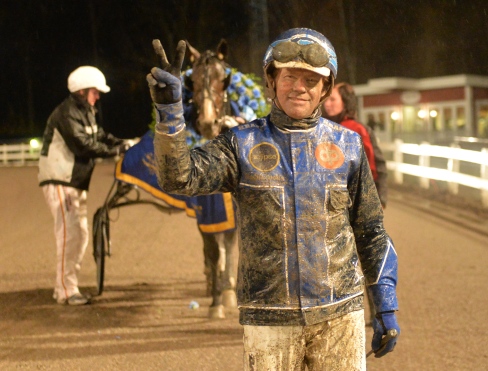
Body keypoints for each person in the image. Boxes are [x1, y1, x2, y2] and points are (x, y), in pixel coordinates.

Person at [148, 28, 400, 370]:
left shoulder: (349, 145)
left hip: (341, 315)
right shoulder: (239, 144)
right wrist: (169, 115)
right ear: (271, 80)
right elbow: (179, 176)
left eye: (311, 79)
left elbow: (371, 231)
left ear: (325, 88)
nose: (299, 86)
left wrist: (384, 304)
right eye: (289, 76)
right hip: (268, 318)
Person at [38, 66, 127, 306]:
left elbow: (100, 137)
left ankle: (66, 286)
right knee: (70, 235)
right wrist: (116, 151)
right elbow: (83, 145)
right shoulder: (66, 113)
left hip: (74, 182)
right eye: (95, 92)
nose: (98, 96)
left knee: (81, 235)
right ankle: (66, 290)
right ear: (81, 91)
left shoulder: (86, 112)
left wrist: (124, 143)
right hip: (61, 180)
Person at [323, 82, 388, 207]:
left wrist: (380, 197)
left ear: (345, 102)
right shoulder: (322, 128)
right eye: (326, 99)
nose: (327, 104)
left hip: (356, 199)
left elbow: (376, 164)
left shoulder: (358, 130)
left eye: (332, 99)